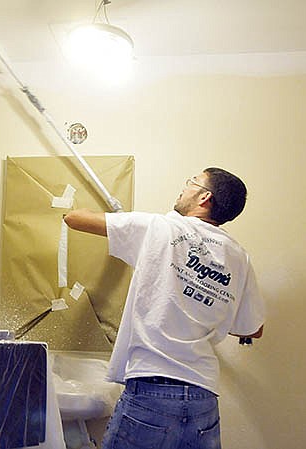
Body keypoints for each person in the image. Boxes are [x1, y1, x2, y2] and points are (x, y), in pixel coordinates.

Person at [63, 167, 264, 449]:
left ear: (205, 197)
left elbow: (74, 219)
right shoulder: (238, 256)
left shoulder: (159, 228)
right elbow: (253, 329)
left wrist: (120, 221)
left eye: (191, 182)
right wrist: (208, 304)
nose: (184, 187)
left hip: (152, 392)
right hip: (203, 398)